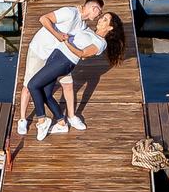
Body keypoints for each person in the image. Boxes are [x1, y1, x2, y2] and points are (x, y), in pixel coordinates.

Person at [27, 11, 126, 141]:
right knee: (46, 94)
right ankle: (62, 123)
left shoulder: (101, 43)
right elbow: (81, 18)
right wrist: (79, 9)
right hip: (55, 56)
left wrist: (67, 42)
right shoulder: (89, 31)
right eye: (102, 17)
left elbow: (82, 54)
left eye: (105, 20)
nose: (100, 20)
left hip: (64, 61)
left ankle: (42, 121)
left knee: (32, 85)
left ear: (110, 27)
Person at [16, 0, 103, 135]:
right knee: (28, 87)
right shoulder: (70, 13)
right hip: (40, 51)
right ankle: (22, 120)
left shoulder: (83, 26)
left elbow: (91, 38)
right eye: (100, 12)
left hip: (58, 58)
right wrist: (56, 34)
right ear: (94, 8)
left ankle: (71, 117)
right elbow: (43, 19)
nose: (99, 15)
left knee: (68, 85)